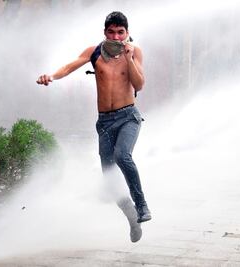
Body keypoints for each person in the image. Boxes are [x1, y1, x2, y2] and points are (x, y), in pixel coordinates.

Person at [36, 11, 151, 242]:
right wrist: (51, 76)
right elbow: (69, 66)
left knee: (122, 156)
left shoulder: (134, 52)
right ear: (105, 32)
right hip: (105, 122)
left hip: (128, 116)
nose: (116, 37)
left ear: (127, 33)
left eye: (121, 32)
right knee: (109, 179)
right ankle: (130, 215)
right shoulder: (95, 52)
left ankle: (141, 206)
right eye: (111, 32)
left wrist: (128, 59)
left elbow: (139, 83)